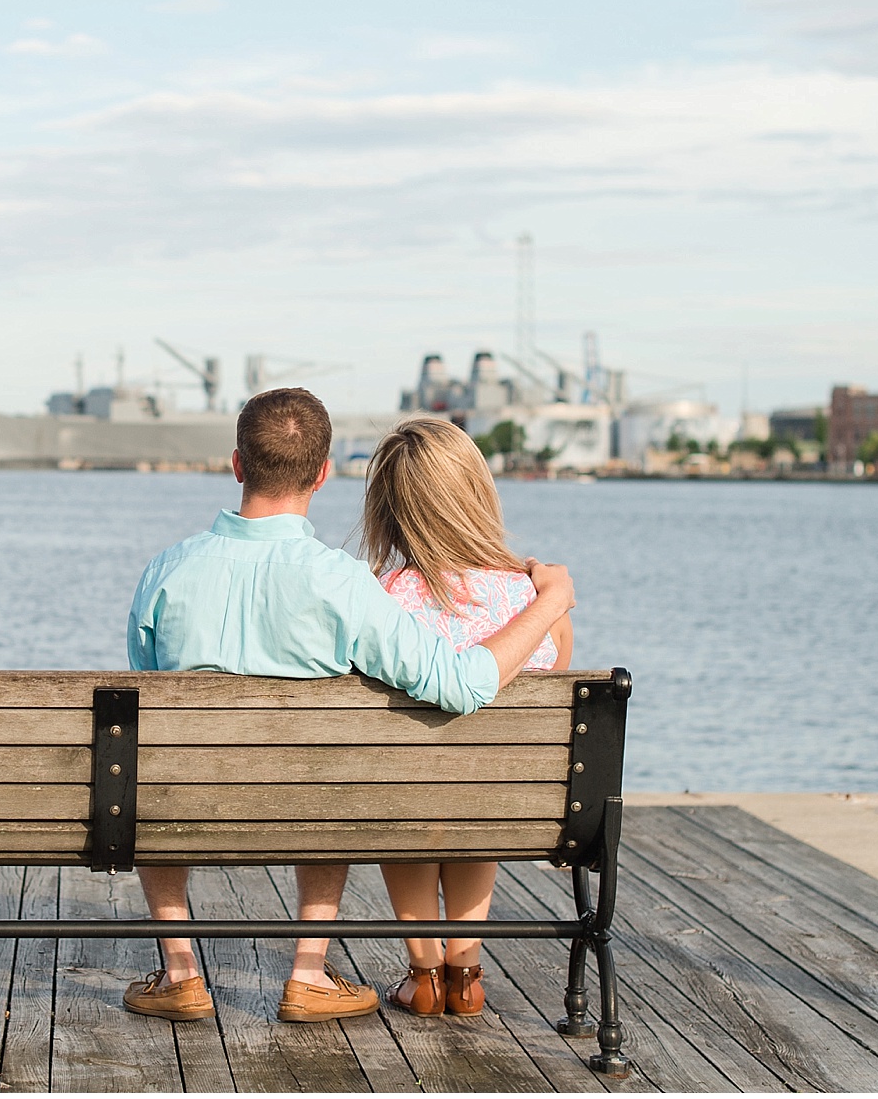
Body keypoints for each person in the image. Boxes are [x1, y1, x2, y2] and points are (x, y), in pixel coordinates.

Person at [123, 389, 574, 1024]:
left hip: (189, 802)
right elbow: (461, 684)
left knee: (157, 764)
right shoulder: (342, 582)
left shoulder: (165, 571)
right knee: (326, 770)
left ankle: (180, 975)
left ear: (236, 464)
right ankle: (307, 974)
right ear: (322, 472)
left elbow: (148, 699)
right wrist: (551, 600)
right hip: (310, 807)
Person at [360, 415, 573, 1018]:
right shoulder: (535, 601)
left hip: (407, 800)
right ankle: (466, 970)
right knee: (483, 793)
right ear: (477, 495)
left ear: (390, 508)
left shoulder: (378, 599)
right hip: (506, 804)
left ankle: (423, 973)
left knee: (411, 801)